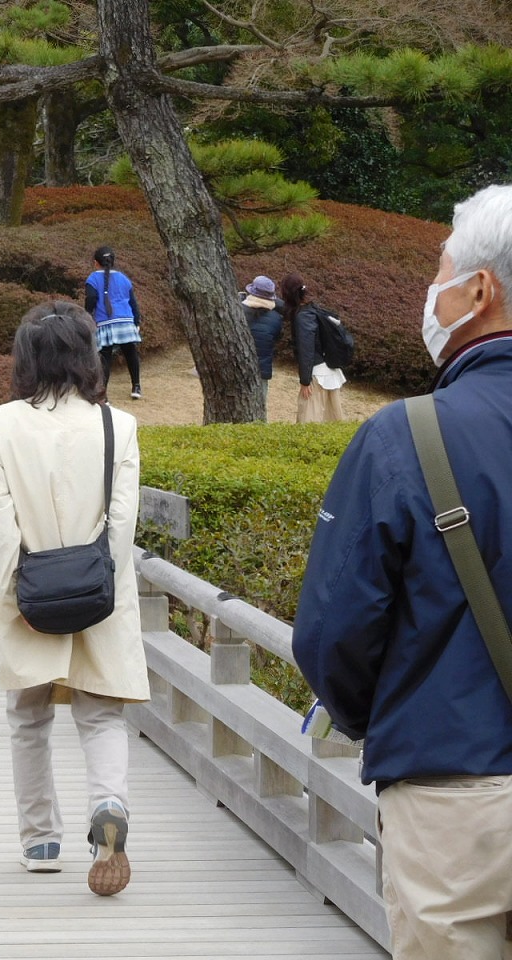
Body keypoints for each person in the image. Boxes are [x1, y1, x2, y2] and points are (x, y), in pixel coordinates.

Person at [291, 184, 512, 960]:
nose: (433, 290)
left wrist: (386, 717)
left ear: (479, 291)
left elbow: (331, 635)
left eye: (441, 271)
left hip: (455, 796)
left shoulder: (404, 439)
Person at [0, 301, 149, 896]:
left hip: (29, 586)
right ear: (86, 356)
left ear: (26, 356)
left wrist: (15, 579)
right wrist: (102, 576)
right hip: (99, 586)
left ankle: (40, 840)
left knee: (29, 716)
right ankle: (108, 804)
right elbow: (123, 517)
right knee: (101, 713)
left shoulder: (3, 423)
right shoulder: (115, 425)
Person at [279, 273, 344, 422]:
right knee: (332, 421)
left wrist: (305, 381)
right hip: (329, 370)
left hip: (316, 374)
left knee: (307, 422)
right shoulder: (312, 309)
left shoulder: (302, 317)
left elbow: (306, 350)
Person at [83, 246, 143, 400]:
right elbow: (133, 301)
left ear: (96, 263)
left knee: (105, 357)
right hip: (126, 320)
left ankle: (103, 395)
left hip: (106, 322)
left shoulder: (92, 278)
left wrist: (88, 317)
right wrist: (136, 320)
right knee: (130, 352)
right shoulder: (123, 278)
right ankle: (136, 386)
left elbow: (91, 299)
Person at [241, 275, 283, 414]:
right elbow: (275, 338)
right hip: (262, 369)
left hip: (238, 366)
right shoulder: (276, 319)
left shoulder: (237, 310)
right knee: (259, 408)